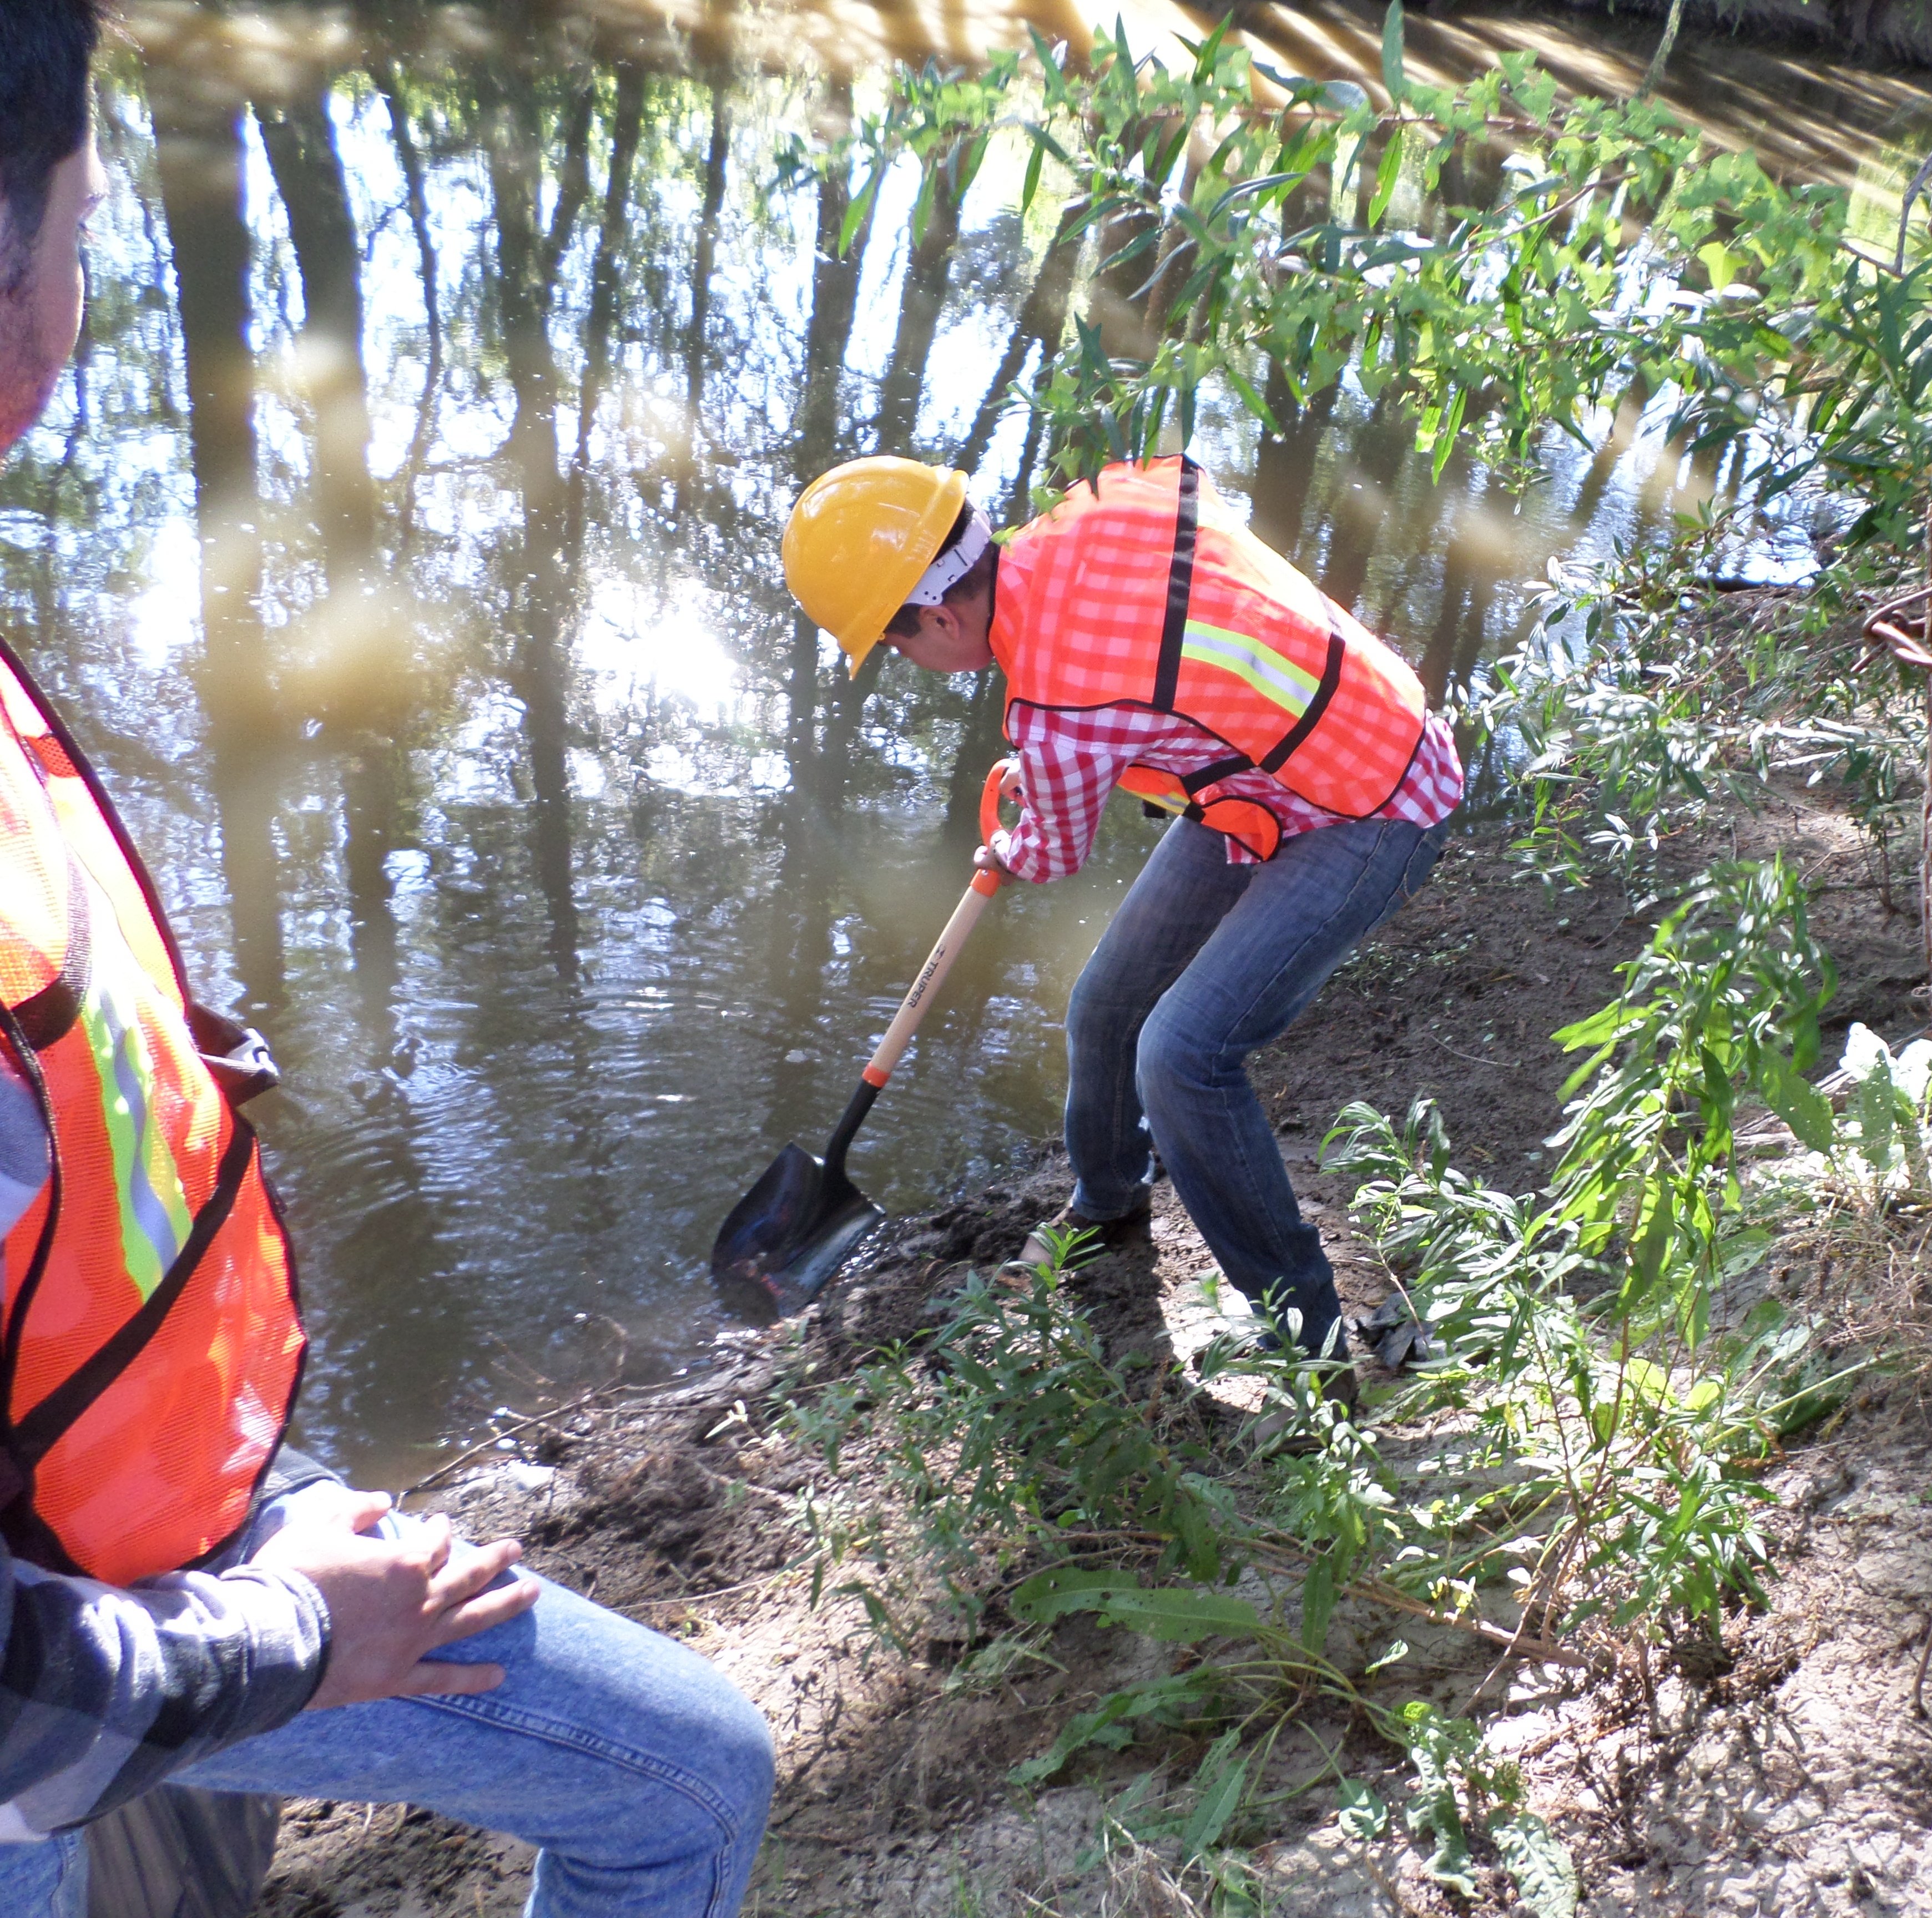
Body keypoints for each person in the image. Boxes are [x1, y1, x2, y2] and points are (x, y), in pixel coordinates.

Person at [0, 7, 773, 1913]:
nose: (82, 299)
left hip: (139, 1488)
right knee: (684, 1786)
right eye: (84, 229)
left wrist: (143, 1066)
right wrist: (285, 1636)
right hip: (99, 1619)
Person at [781, 453, 1463, 1379]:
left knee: (1182, 1056)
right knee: (1106, 1003)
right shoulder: (1087, 514)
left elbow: (1052, 851)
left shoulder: (1056, 710)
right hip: (1274, 773)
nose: (912, 664)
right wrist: (1067, 769)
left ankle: (1307, 1347)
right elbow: (1162, 637)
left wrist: (1011, 845)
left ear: (940, 617)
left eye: (897, 646)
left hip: (1376, 801)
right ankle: (1108, 1199)